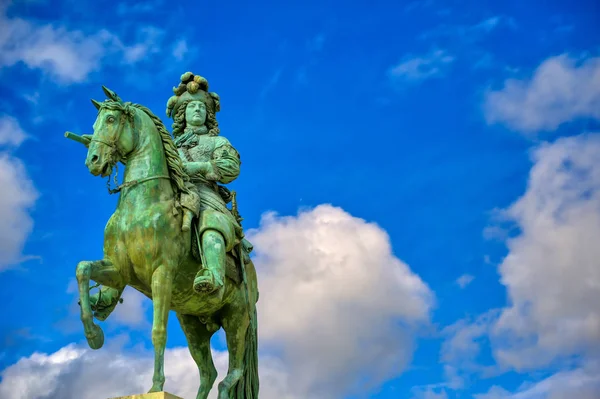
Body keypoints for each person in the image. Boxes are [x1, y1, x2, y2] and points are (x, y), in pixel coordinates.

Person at [166, 72, 245, 294]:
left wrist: (197, 167)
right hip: (173, 193)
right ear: (183, 114)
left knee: (209, 222)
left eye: (201, 107)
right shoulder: (169, 145)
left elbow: (231, 168)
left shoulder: (218, 142)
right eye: (192, 107)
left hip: (206, 196)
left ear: (208, 113)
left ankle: (213, 274)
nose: (198, 110)